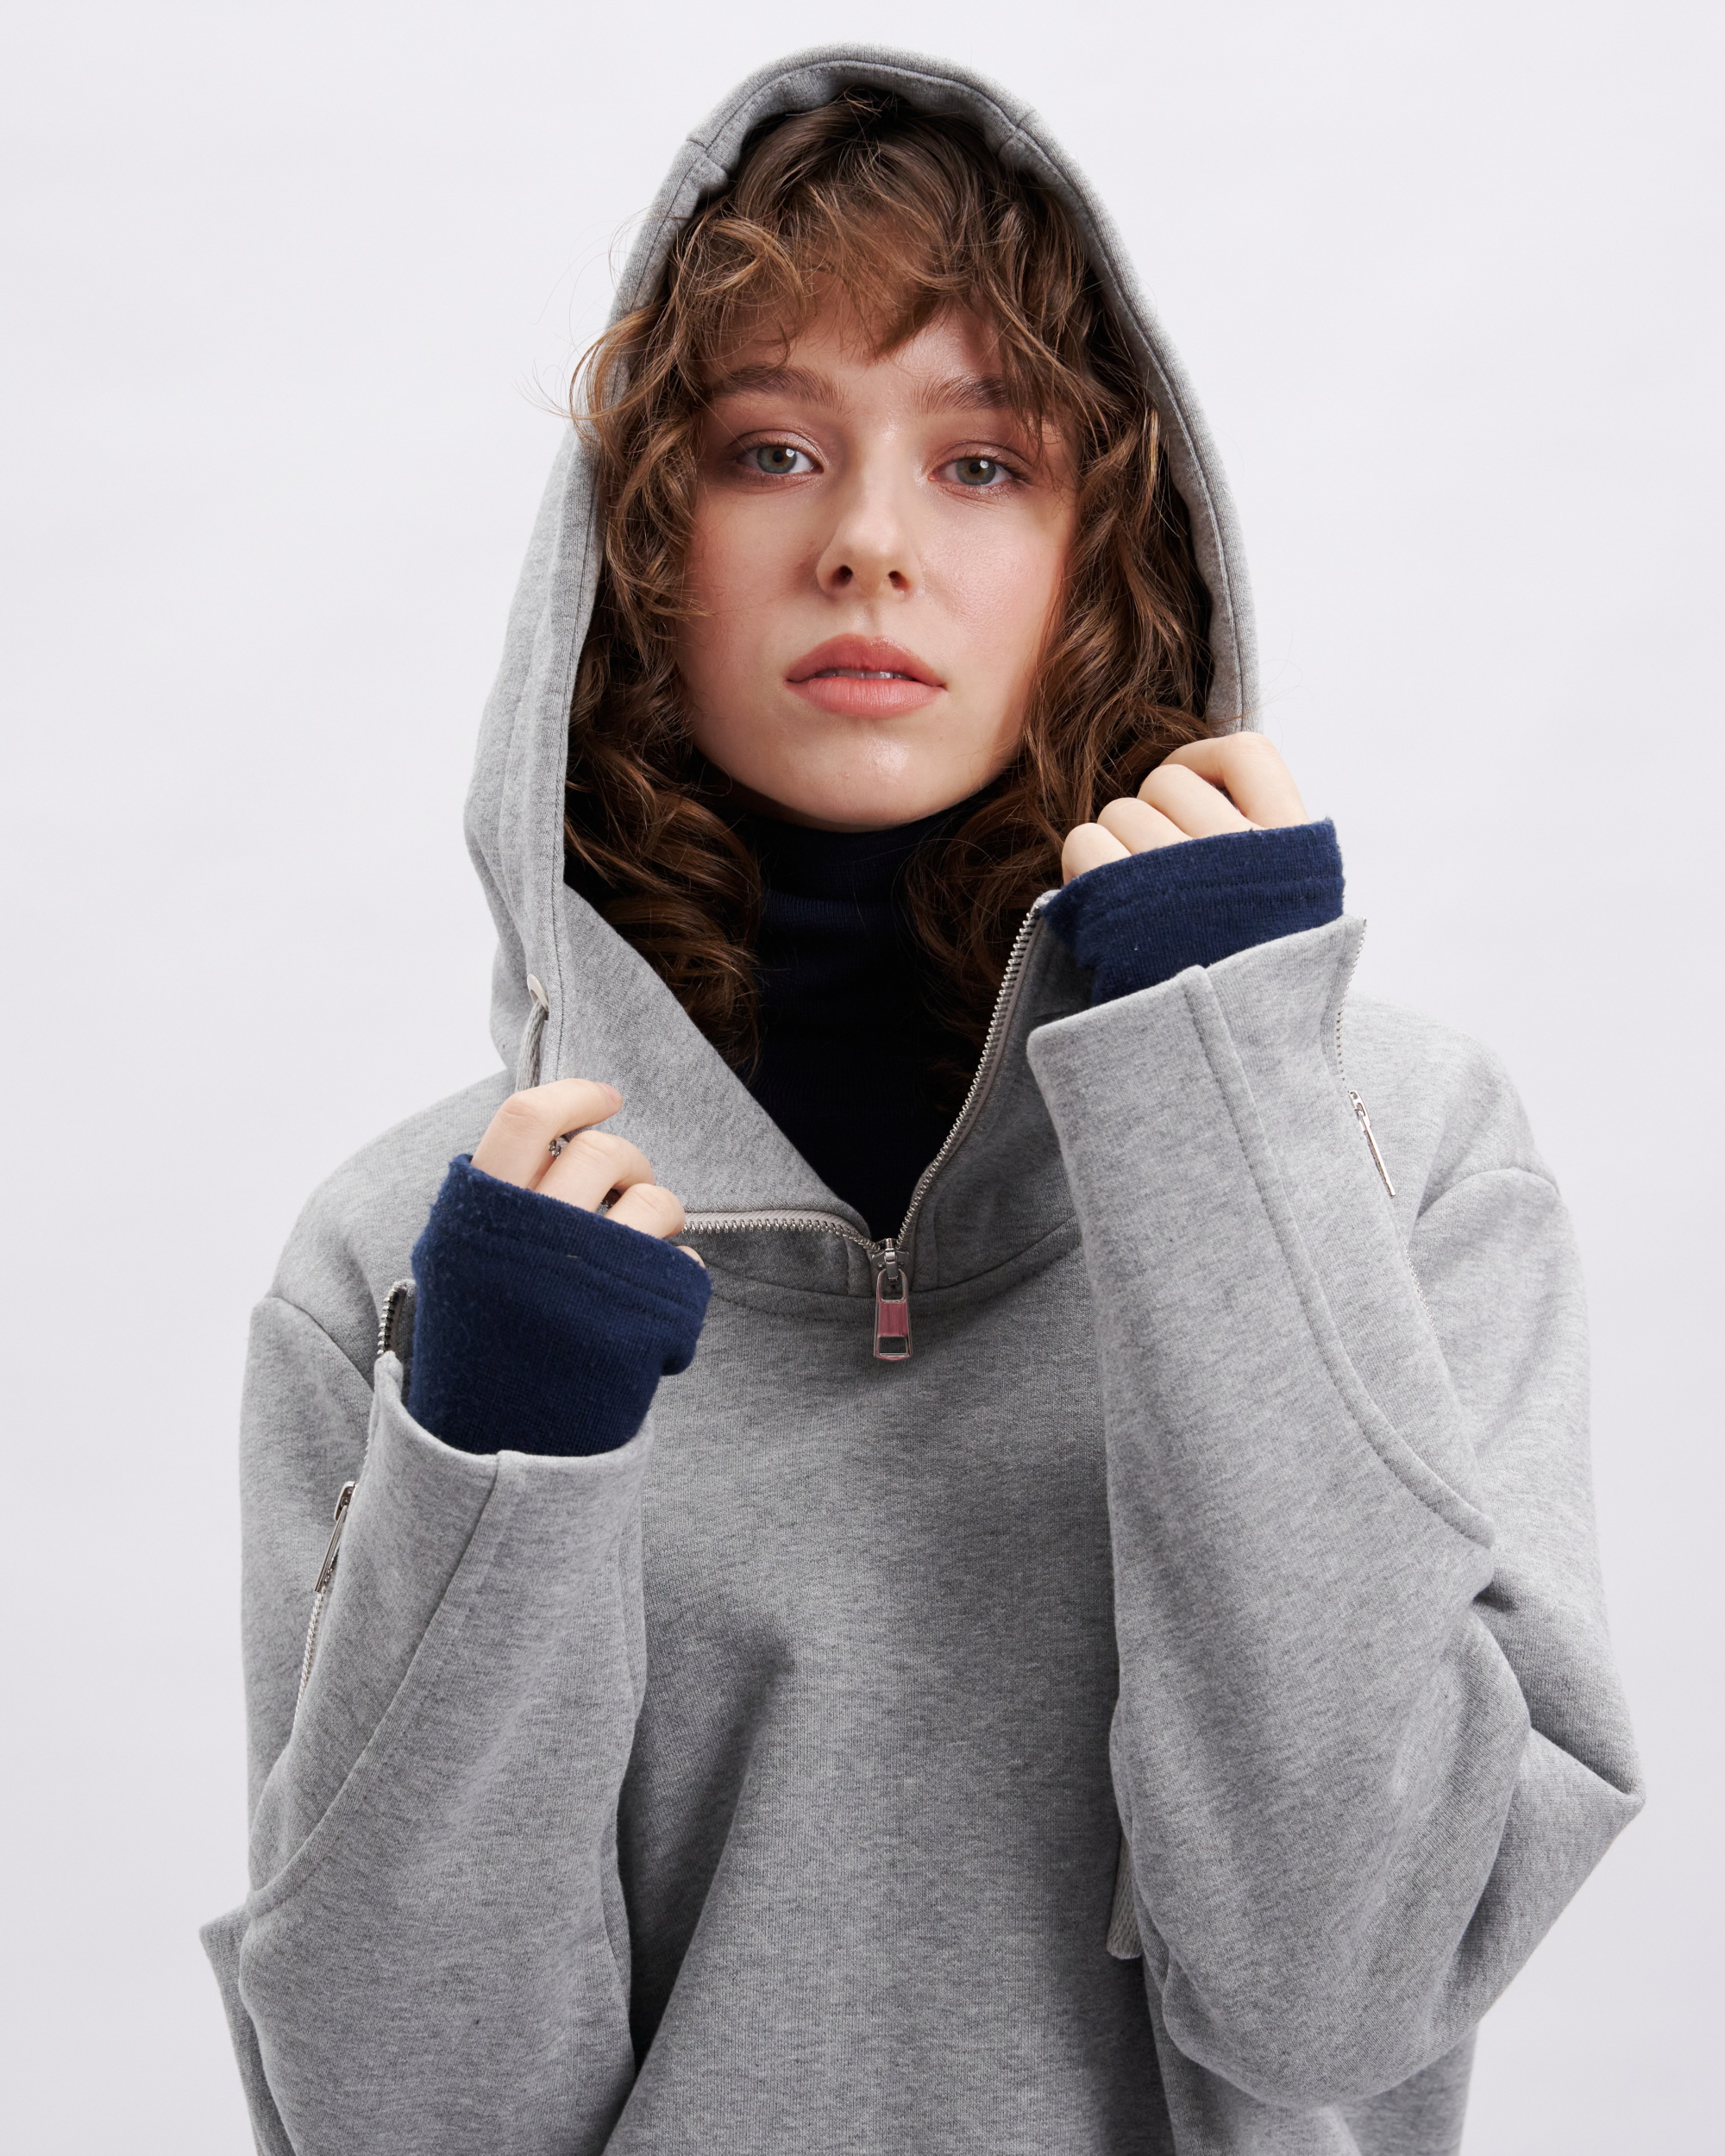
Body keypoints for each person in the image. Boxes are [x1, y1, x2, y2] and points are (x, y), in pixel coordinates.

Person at [203, 49, 1640, 2156]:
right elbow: (414, 2119)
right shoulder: (427, 1259)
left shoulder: (1387, 1151)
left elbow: (1337, 1986)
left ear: (1105, 546)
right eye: (768, 449)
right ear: (640, 540)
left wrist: (1225, 1119)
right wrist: (502, 1460)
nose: (867, 542)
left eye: (981, 462)